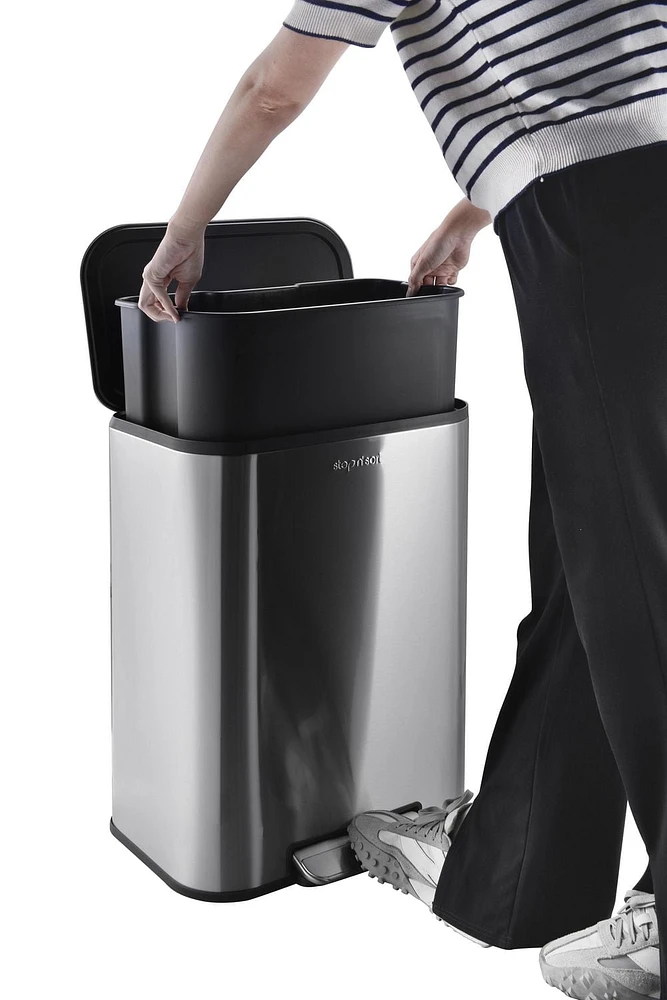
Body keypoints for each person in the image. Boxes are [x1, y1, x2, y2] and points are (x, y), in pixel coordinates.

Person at [138, 4, 667, 998]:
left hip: (591, 216)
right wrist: (473, 211)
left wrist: (183, 231)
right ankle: (516, 878)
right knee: (589, 554)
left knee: (629, 563)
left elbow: (274, 88)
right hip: (627, 188)